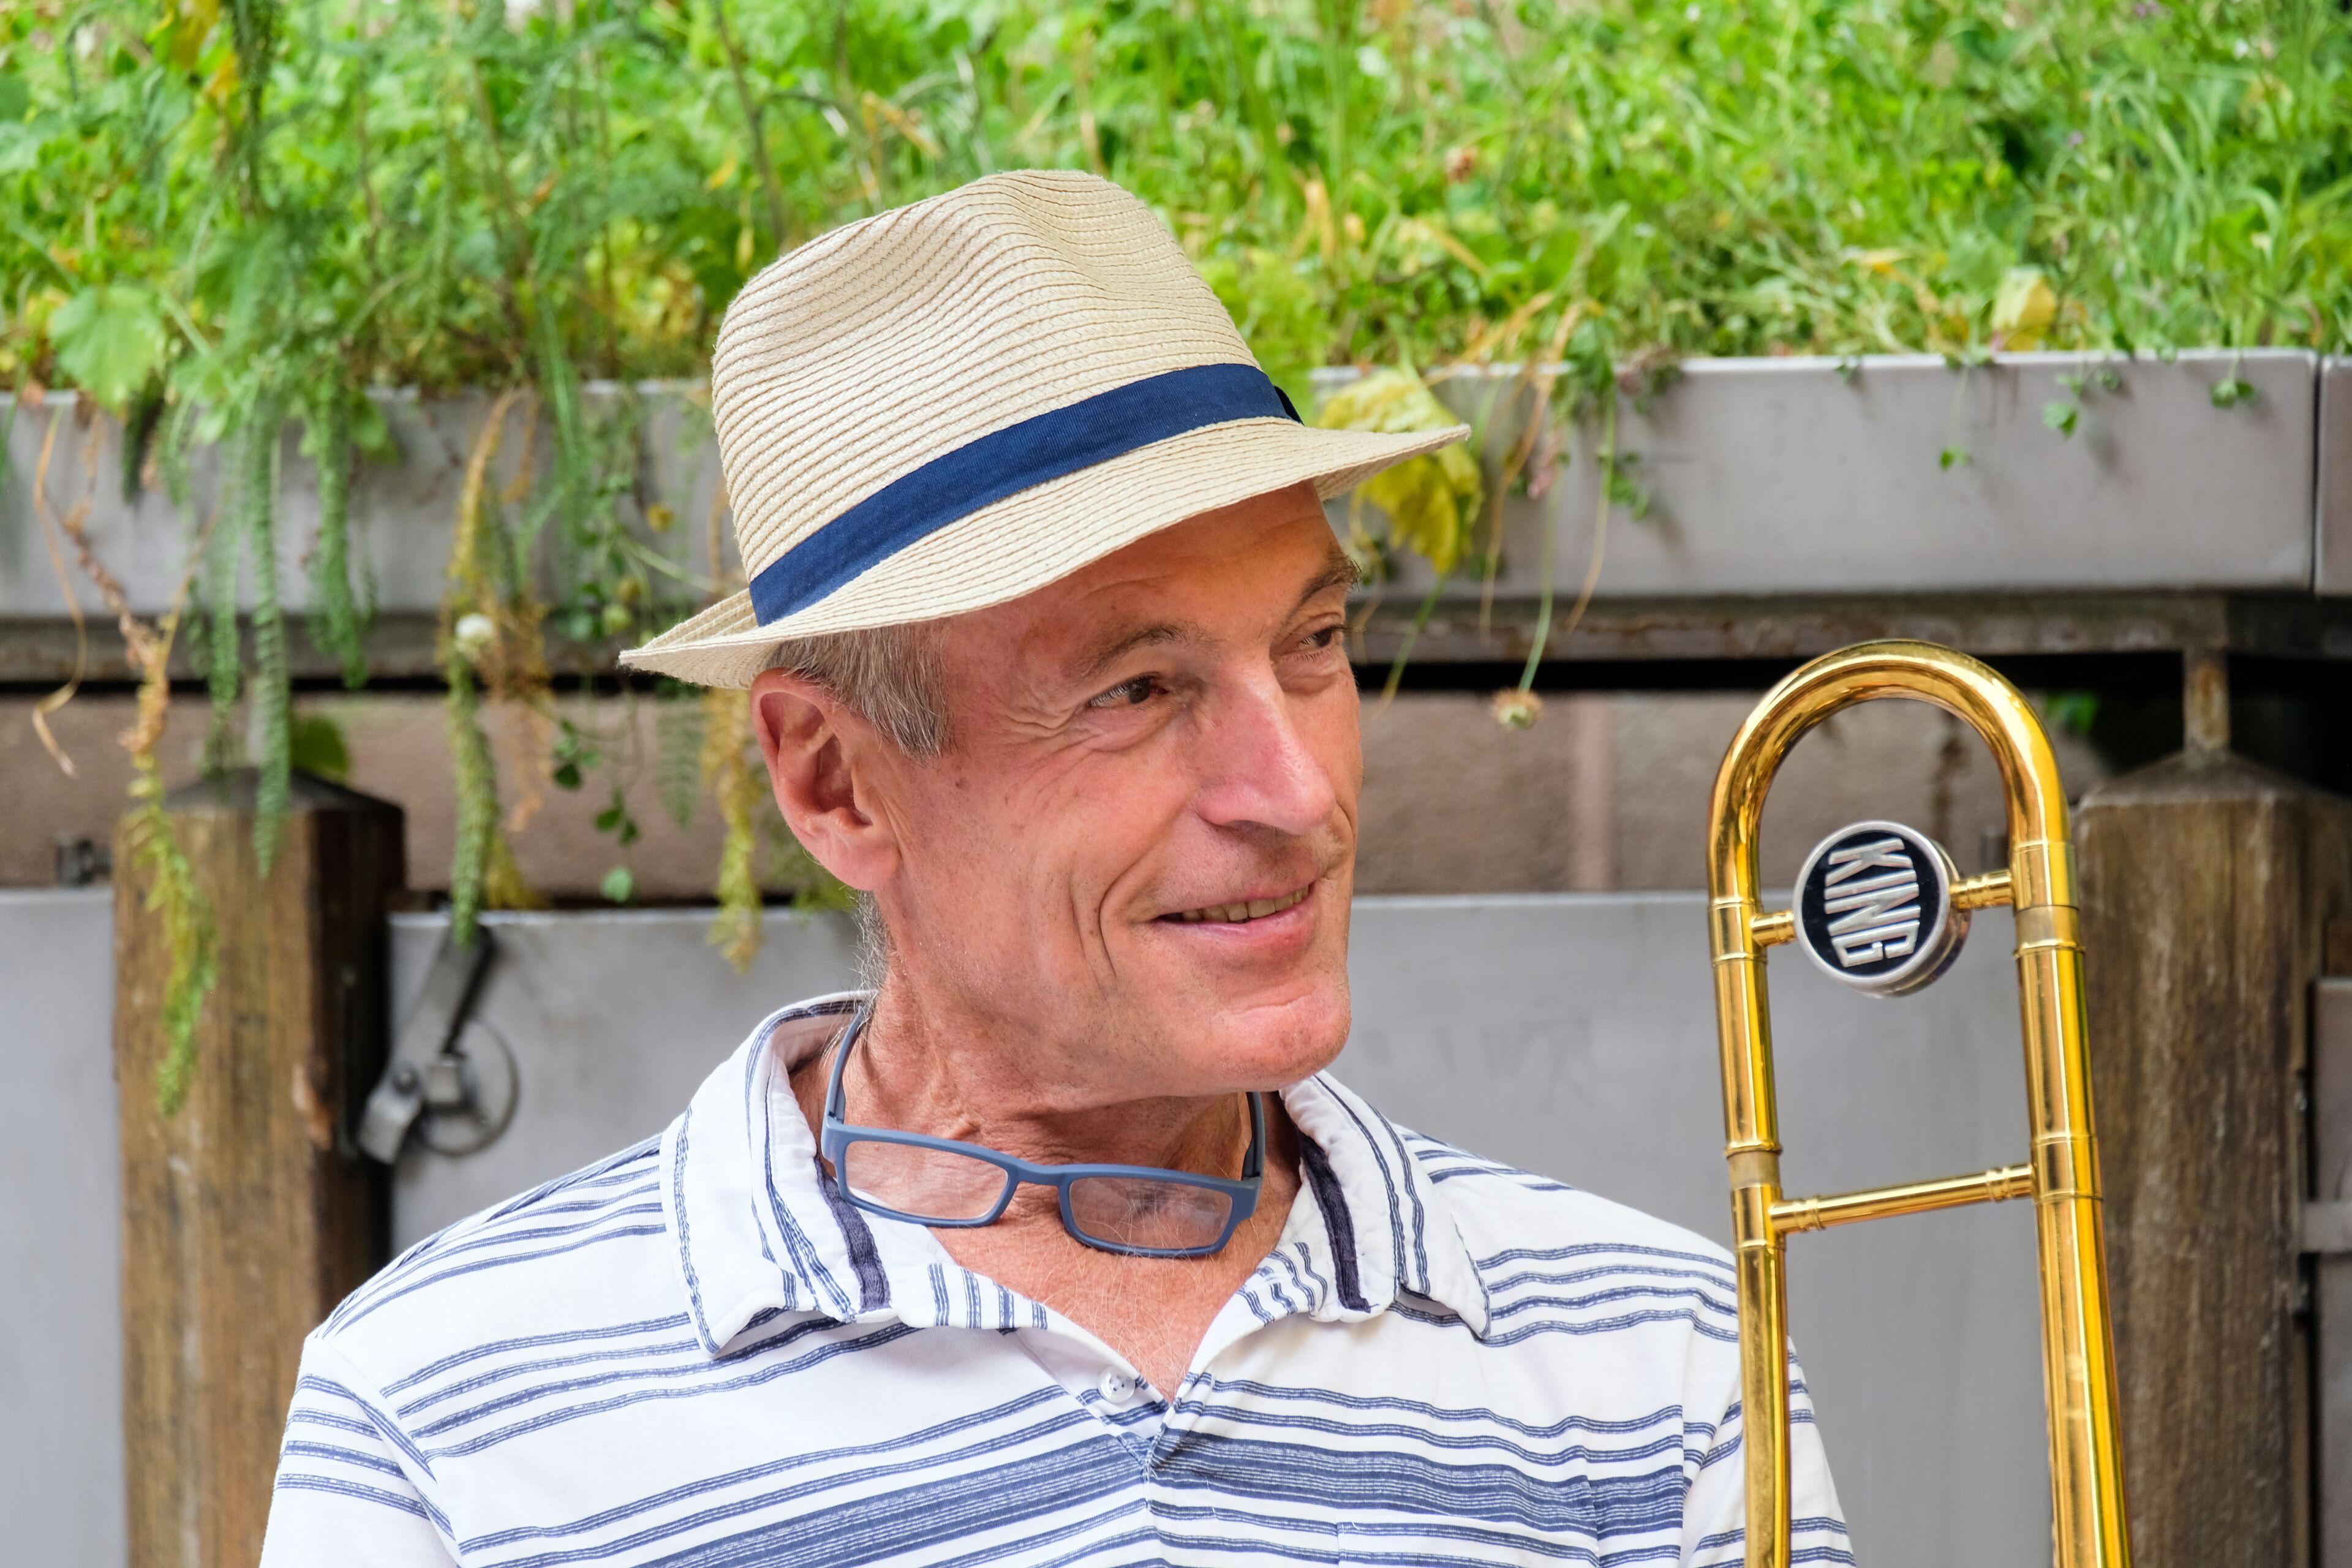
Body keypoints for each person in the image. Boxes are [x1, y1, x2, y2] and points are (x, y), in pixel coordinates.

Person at [259, 170, 1847, 1568]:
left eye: (1314, 641)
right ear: (834, 783)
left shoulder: (1660, 1359)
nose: (1298, 792)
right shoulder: (444, 1419)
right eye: (1137, 690)